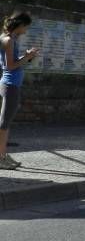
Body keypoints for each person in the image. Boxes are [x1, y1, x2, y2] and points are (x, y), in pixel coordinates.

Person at [0, 11, 39, 169]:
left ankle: (3, 154)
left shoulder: (8, 38)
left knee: (5, 122)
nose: (26, 30)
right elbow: (10, 66)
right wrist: (27, 57)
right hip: (10, 85)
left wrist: (25, 57)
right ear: (20, 25)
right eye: (26, 27)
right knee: (4, 123)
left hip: (10, 84)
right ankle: (1, 157)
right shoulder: (9, 40)